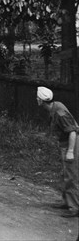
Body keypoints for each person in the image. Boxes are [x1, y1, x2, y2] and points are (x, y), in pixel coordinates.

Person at [37, 86, 79, 218]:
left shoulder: (59, 112)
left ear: (41, 101)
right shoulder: (55, 106)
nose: (36, 100)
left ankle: (75, 207)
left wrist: (70, 151)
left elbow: (72, 131)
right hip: (64, 143)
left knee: (71, 175)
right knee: (65, 173)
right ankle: (67, 201)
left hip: (71, 143)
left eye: (37, 98)